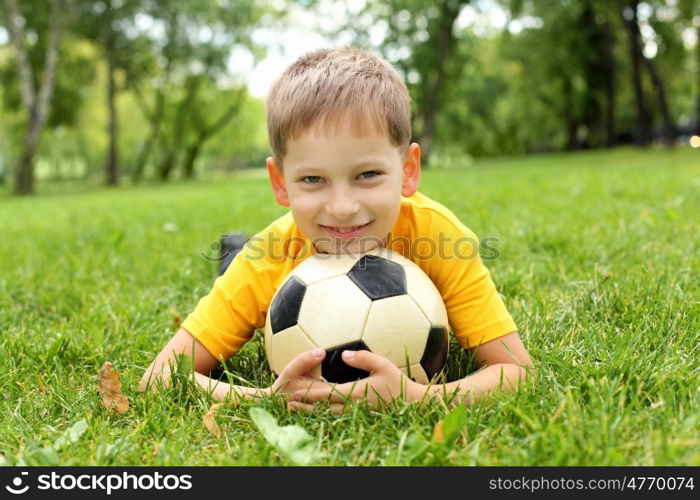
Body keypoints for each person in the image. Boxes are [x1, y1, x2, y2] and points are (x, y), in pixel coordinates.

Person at [139, 47, 534, 412]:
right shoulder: (269, 257)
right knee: (244, 262)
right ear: (280, 183)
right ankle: (233, 255)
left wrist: (418, 397)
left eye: (367, 174)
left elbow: (518, 372)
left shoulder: (442, 238)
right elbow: (159, 378)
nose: (343, 208)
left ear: (408, 171)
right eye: (313, 179)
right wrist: (265, 398)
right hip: (262, 261)